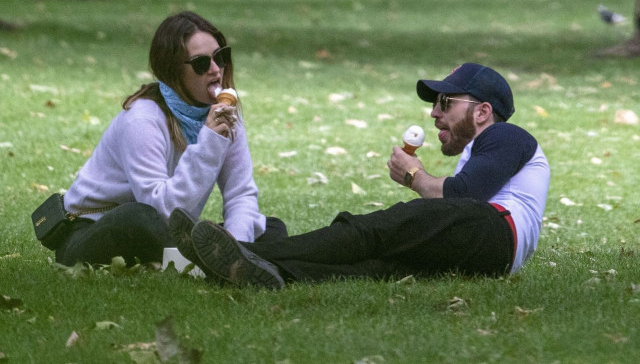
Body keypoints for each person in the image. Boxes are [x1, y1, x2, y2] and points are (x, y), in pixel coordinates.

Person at [170, 63, 550, 288]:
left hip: (496, 232)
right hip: (493, 251)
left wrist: (413, 174)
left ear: (483, 112)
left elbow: (460, 197)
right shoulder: (483, 151)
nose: (434, 113)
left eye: (445, 102)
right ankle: (257, 271)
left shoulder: (507, 136)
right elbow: (458, 200)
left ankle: (246, 252)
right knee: (376, 268)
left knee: (370, 230)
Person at [50, 11, 286, 267]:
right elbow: (161, 212)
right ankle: (202, 266)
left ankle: (224, 265)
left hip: (169, 235)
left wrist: (237, 248)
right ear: (173, 72)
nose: (216, 70)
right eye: (201, 64)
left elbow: (240, 194)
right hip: (94, 232)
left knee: (268, 228)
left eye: (221, 57)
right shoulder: (143, 119)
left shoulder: (224, 115)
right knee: (138, 217)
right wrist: (209, 143)